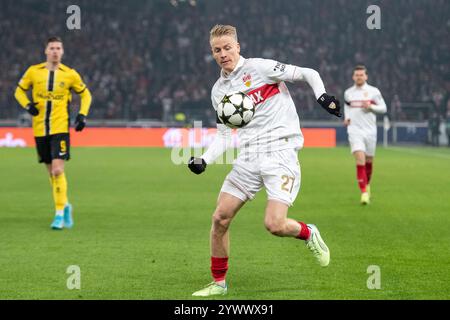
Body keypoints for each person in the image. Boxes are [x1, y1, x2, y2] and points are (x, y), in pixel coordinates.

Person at [187, 25, 341, 297]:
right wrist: (204, 159)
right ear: (212, 53)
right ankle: (219, 283)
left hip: (280, 152)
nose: (223, 54)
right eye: (216, 50)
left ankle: (308, 232)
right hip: (248, 155)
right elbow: (224, 135)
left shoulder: (260, 68)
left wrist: (322, 96)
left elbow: (307, 73)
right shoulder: (218, 91)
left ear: (237, 46)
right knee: (220, 218)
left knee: (275, 225)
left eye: (227, 48)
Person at [14, 36, 92, 230]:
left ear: (62, 52)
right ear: (46, 51)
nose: (55, 51)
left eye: (58, 48)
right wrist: (28, 105)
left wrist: (82, 115)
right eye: (52, 48)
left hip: (60, 129)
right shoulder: (34, 72)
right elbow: (18, 92)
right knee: (51, 173)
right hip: (40, 129)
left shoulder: (70, 74)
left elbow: (86, 94)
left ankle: (58, 215)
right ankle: (65, 205)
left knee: (58, 170)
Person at [343, 65, 387, 205]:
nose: (359, 77)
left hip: (370, 131)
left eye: (361, 75)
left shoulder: (373, 91)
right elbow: (347, 106)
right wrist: (347, 117)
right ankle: (364, 193)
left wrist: (371, 107)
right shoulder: (348, 93)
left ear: (366, 76)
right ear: (353, 77)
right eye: (357, 75)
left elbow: (384, 108)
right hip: (354, 130)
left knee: (369, 162)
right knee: (360, 160)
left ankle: (367, 185)